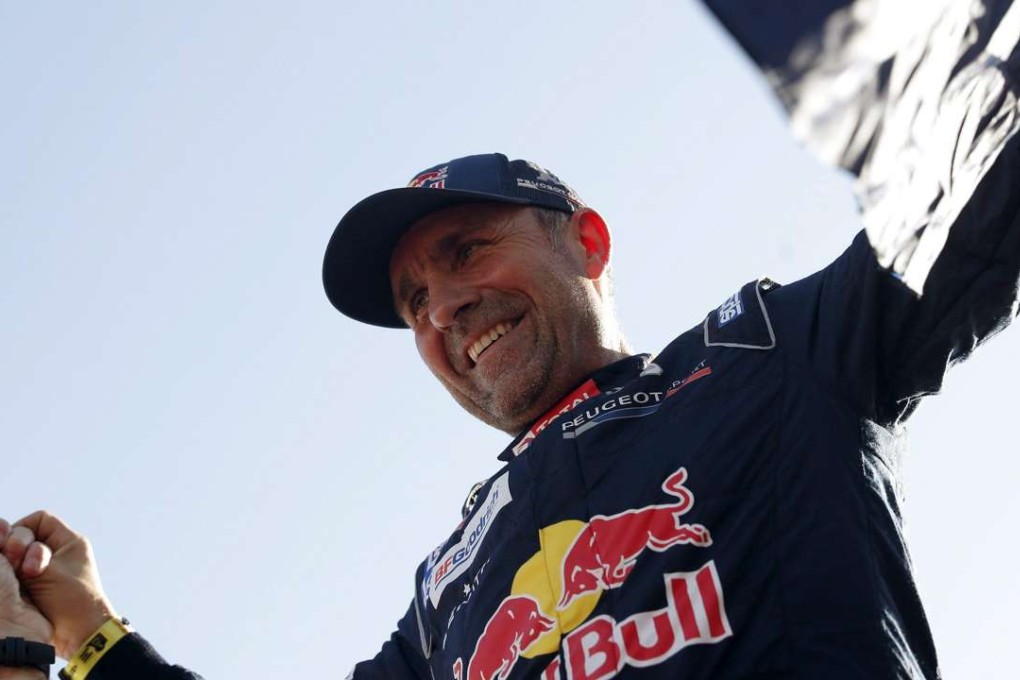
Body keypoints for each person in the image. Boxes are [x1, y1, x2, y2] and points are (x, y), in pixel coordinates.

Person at [3, 2, 1020, 678]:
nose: (441, 305)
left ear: (585, 238)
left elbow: (975, 184)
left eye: (464, 250)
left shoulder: (769, 349)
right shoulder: (449, 584)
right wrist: (78, 629)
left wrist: (869, 45)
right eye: (411, 300)